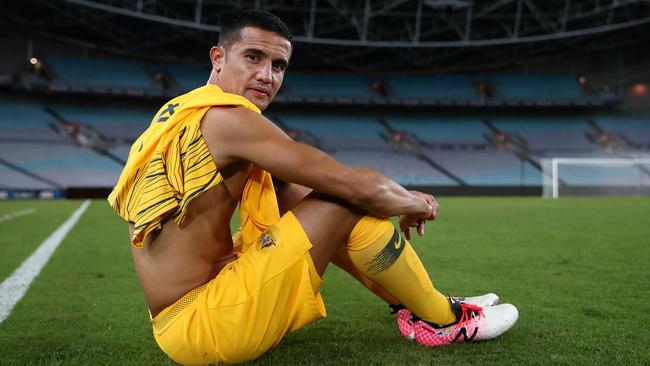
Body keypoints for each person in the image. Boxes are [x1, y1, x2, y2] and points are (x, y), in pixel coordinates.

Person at [108, 10, 518, 365]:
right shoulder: (228, 121)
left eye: (279, 65)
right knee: (343, 201)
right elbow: (354, 186)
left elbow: (302, 189)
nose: (266, 76)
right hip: (205, 324)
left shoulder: (180, 109)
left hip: (184, 317)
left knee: (295, 195)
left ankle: (418, 304)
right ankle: (442, 321)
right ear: (218, 57)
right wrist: (417, 203)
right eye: (253, 57)